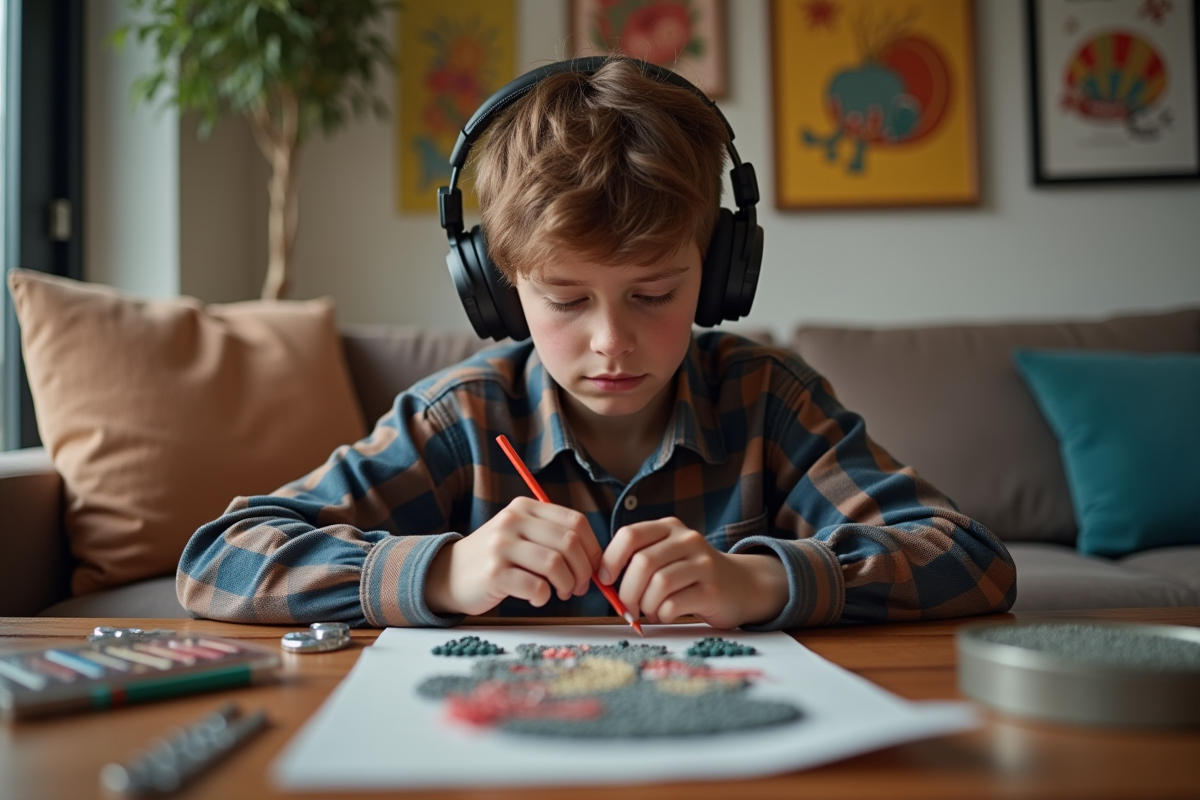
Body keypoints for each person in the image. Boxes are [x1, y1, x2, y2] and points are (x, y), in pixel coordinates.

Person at [177, 57, 1015, 631]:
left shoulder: (769, 399)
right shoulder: (459, 417)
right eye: (566, 299)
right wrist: (444, 573)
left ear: (720, 272)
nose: (612, 341)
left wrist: (762, 579)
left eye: (654, 294)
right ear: (500, 288)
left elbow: (970, 559)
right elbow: (218, 559)